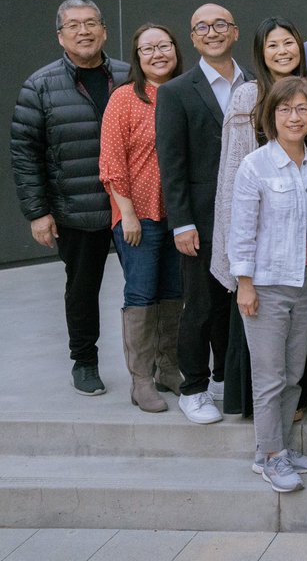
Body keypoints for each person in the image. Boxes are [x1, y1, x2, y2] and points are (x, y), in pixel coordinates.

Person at [12, 0, 131, 395]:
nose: (84, 31)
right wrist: (38, 212)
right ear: (60, 35)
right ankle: (85, 361)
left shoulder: (128, 76)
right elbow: (24, 152)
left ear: (104, 30)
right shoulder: (40, 85)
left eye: (91, 23)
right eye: (74, 25)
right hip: (76, 207)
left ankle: (153, 365)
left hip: (131, 205)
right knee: (82, 289)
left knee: (149, 288)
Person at [211, 17, 307, 419]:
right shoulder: (247, 96)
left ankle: (293, 408)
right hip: (263, 245)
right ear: (260, 51)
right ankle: (268, 438)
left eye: (289, 43)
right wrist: (242, 271)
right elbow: (233, 167)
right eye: (272, 45)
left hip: (302, 244)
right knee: (265, 351)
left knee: (296, 355)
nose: (282, 52)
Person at [227, 77, 307, 493]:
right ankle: (270, 457)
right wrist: (244, 284)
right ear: (271, 117)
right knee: (269, 377)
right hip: (265, 286)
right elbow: (241, 231)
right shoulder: (256, 166)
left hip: (306, 284)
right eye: (285, 109)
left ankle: (276, 447)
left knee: (293, 375)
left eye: (302, 109)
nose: (294, 117)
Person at [157, 3, 249, 424]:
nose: (212, 33)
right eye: (202, 28)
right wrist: (183, 222)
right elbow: (171, 163)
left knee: (236, 303)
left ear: (234, 32)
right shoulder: (177, 92)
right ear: (192, 38)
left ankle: (220, 378)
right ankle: (191, 387)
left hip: (249, 217)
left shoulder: (254, 84)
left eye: (220, 25)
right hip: (201, 219)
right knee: (200, 305)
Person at [98, 22, 182, 412]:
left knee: (173, 293)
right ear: (137, 57)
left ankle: (169, 368)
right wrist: (127, 214)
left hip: (178, 215)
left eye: (164, 46)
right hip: (139, 216)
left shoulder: (184, 93)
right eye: (148, 48)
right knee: (142, 293)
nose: (157, 54)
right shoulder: (124, 99)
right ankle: (142, 380)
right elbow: (112, 163)